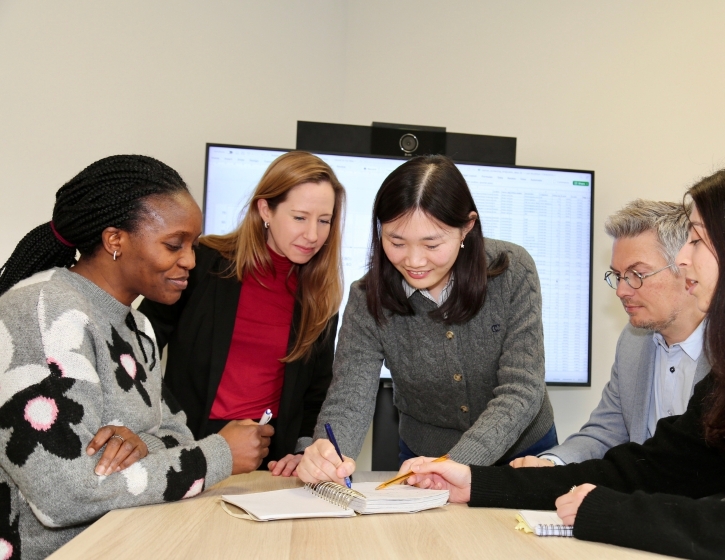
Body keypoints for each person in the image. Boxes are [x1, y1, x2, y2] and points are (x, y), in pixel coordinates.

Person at [404, 158, 725, 559]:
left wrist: (613, 514)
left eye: (698, 240)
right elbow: (651, 467)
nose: (683, 259)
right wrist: (480, 483)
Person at [0, 155, 273, 558]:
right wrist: (220, 455)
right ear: (115, 240)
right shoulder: (43, 312)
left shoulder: (138, 327)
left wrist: (141, 444)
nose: (190, 261)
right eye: (174, 245)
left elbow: (177, 435)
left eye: (193, 245)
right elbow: (64, 496)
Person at [295, 154, 556, 484]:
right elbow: (349, 397)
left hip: (523, 453)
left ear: (466, 227)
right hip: (424, 456)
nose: (414, 261)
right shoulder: (368, 297)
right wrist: (328, 455)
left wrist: (456, 463)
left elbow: (522, 388)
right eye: (396, 242)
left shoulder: (512, 270)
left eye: (431, 244)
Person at [139, 151, 344, 476]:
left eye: (324, 220)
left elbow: (316, 394)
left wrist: (303, 451)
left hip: (270, 462)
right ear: (265, 210)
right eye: (300, 217)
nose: (313, 235)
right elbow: (138, 345)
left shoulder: (320, 295)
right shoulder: (202, 263)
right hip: (185, 447)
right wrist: (147, 424)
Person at [511, 200, 707, 468]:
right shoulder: (633, 341)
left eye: (637, 274)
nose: (621, 291)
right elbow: (606, 431)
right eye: (618, 275)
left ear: (687, 269)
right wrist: (552, 464)